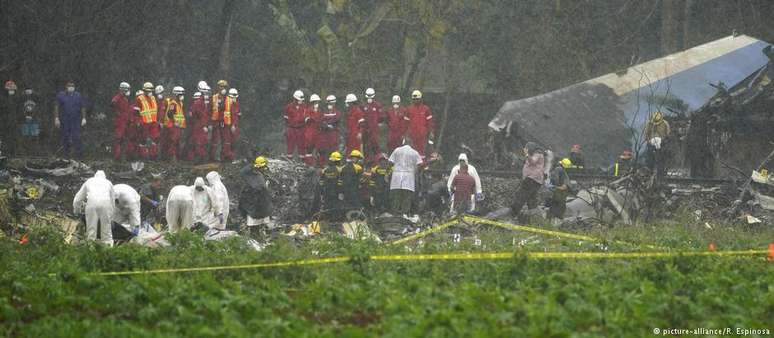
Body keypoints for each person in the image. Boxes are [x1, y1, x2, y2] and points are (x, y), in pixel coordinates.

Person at [73, 170, 115, 246]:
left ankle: (90, 250)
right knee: (107, 233)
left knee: (91, 231)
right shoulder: (109, 183)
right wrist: (111, 217)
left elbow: (77, 199)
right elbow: (112, 202)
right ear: (104, 177)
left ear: (94, 175)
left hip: (91, 204)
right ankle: (109, 251)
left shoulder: (89, 181)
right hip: (106, 204)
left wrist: (77, 211)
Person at [389, 139, 423, 219]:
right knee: (407, 196)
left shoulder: (397, 150)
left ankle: (395, 214)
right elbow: (420, 164)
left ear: (403, 143)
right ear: (411, 143)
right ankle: (404, 214)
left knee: (396, 196)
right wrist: (415, 170)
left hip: (396, 176)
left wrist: (387, 172)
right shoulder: (414, 152)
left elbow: (390, 162)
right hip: (409, 176)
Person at [511, 142, 545, 217]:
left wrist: (527, 154)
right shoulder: (536, 154)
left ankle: (513, 213)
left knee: (521, 195)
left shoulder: (537, 154)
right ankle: (533, 216)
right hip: (535, 180)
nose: (525, 150)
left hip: (532, 179)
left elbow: (533, 161)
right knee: (531, 199)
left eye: (526, 148)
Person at [239, 156, 273, 229]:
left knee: (259, 223)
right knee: (254, 224)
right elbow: (242, 172)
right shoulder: (252, 176)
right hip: (255, 204)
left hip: (260, 204)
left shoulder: (258, 175)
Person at [54, 80, 86, 158]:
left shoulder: (78, 95)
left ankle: (79, 156)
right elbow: (56, 107)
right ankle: (66, 156)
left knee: (77, 137)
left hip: (76, 120)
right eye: (69, 86)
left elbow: (82, 107)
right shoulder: (61, 95)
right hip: (65, 120)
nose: (71, 87)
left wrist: (84, 118)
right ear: (66, 87)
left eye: (72, 86)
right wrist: (56, 118)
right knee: (65, 137)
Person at [404, 90, 434, 160]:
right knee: (412, 151)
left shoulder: (426, 109)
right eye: (414, 99)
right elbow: (405, 123)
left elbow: (430, 122)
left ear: (420, 99)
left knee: (422, 151)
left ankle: (422, 165)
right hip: (412, 135)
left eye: (417, 99)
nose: (415, 101)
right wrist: (405, 134)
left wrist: (431, 132)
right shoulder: (409, 109)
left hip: (423, 135)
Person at [134, 82, 160, 160]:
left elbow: (156, 110)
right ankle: (143, 157)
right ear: (144, 90)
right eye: (148, 91)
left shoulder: (153, 98)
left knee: (155, 139)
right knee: (143, 140)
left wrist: (158, 120)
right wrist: (138, 121)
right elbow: (136, 112)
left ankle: (153, 156)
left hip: (154, 122)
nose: (149, 92)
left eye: (151, 91)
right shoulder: (139, 98)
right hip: (144, 122)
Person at [187, 81, 211, 162]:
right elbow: (201, 115)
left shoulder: (204, 102)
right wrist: (204, 125)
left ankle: (200, 159)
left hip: (201, 125)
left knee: (202, 142)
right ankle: (199, 160)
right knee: (199, 142)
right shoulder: (199, 102)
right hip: (199, 126)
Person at [161, 86, 186, 161]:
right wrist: (175, 122)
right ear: (177, 95)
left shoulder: (180, 103)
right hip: (172, 126)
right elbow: (169, 113)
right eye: (181, 95)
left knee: (177, 142)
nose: (182, 96)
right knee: (173, 142)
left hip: (178, 126)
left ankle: (176, 157)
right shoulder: (173, 103)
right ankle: (171, 158)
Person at [111, 82, 134, 161]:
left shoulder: (125, 98)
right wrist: (118, 113)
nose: (128, 91)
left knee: (125, 139)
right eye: (127, 89)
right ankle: (117, 157)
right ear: (123, 89)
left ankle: (123, 156)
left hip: (125, 121)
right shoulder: (118, 97)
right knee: (118, 139)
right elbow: (113, 103)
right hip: (120, 122)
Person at [644, 111, 671, 176]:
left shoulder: (665, 123)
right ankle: (649, 174)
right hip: (651, 144)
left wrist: (664, 141)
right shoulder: (649, 123)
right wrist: (649, 141)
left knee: (661, 160)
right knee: (650, 160)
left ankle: (660, 175)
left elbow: (668, 134)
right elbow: (646, 134)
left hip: (662, 144)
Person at [316, 95, 340, 166]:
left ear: (334, 103)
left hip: (333, 134)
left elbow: (337, 120)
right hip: (324, 134)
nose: (330, 105)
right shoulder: (323, 112)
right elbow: (320, 121)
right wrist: (326, 125)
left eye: (331, 103)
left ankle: (333, 165)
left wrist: (328, 123)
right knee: (322, 150)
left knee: (333, 150)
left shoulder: (337, 112)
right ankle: (322, 165)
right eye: (328, 103)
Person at [284, 90, 307, 160]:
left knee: (301, 145)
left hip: (301, 128)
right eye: (299, 100)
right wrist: (288, 128)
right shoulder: (288, 107)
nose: (301, 101)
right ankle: (289, 158)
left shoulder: (305, 107)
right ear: (295, 99)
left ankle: (302, 160)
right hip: (291, 128)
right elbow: (286, 119)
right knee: (290, 145)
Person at [209, 80, 229, 161]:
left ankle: (223, 157)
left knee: (225, 140)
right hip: (216, 122)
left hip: (224, 122)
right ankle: (213, 157)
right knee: (215, 140)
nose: (222, 88)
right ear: (218, 87)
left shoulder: (228, 99)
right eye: (221, 86)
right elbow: (209, 110)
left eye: (224, 87)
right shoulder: (214, 98)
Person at [361, 88, 382, 163]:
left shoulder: (377, 105)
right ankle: (366, 162)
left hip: (374, 131)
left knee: (376, 146)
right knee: (366, 147)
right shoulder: (363, 105)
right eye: (368, 96)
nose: (369, 98)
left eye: (371, 96)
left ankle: (377, 162)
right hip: (365, 130)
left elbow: (380, 118)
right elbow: (361, 118)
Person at [548, 158, 571, 222]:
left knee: (555, 205)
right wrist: (559, 187)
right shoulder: (559, 169)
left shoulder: (559, 169)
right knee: (559, 205)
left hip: (559, 191)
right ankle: (555, 219)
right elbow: (556, 180)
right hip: (559, 192)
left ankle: (551, 218)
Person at [221, 88, 240, 162]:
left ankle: (231, 157)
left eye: (235, 97)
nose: (234, 99)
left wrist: (234, 124)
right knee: (227, 142)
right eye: (233, 97)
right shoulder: (226, 103)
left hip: (234, 126)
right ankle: (226, 158)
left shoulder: (236, 104)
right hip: (227, 126)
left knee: (233, 142)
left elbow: (236, 115)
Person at [1, 80, 19, 156]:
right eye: (9, 87)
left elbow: (18, 108)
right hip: (5, 120)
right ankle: (6, 152)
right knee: (6, 136)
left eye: (12, 87)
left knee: (14, 136)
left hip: (14, 120)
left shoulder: (17, 98)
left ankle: (13, 152)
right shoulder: (3, 98)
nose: (11, 89)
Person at [303, 94, 322, 166]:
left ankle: (317, 164)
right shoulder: (308, 110)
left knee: (319, 149)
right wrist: (313, 118)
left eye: (317, 102)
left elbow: (321, 120)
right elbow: (307, 120)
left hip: (318, 132)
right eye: (315, 102)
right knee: (309, 149)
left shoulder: (320, 111)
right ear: (312, 102)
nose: (317, 103)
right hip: (310, 133)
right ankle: (308, 164)